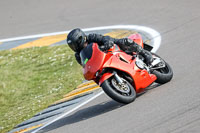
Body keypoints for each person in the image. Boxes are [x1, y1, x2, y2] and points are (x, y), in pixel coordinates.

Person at [66, 28, 153, 65]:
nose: (74, 47)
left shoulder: (91, 37)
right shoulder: (78, 55)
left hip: (111, 48)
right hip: (102, 61)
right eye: (72, 46)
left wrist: (106, 44)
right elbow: (85, 64)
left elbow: (104, 38)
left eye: (75, 44)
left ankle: (144, 53)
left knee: (124, 42)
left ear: (81, 38)